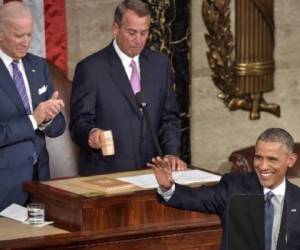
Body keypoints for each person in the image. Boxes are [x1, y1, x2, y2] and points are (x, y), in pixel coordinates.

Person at [70, 0, 186, 175]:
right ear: (116, 28)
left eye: (144, 33)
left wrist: (170, 153)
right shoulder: (91, 68)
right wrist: (92, 134)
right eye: (132, 33)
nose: (138, 40)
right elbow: (79, 122)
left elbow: (169, 117)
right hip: (108, 174)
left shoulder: (159, 64)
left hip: (152, 173)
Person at [150, 128, 300, 250]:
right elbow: (196, 198)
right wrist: (168, 186)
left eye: (272, 159)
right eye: (258, 157)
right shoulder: (234, 187)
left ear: (290, 160)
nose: (262, 166)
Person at [0, 2, 65, 210]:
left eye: (29, 35)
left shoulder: (38, 66)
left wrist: (49, 117)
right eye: (19, 36)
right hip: (5, 185)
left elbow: (57, 128)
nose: (26, 42)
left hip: (41, 181)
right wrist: (33, 119)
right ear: (1, 34)